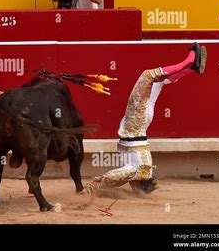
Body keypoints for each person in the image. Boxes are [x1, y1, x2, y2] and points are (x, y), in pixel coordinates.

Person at [84, 43, 207, 195]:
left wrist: (97, 189)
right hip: (135, 128)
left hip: (138, 127)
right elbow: (108, 178)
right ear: (137, 184)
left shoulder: (134, 173)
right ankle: (189, 62)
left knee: (157, 82)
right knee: (148, 76)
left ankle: (191, 68)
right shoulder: (136, 171)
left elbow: (113, 180)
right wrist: (89, 190)